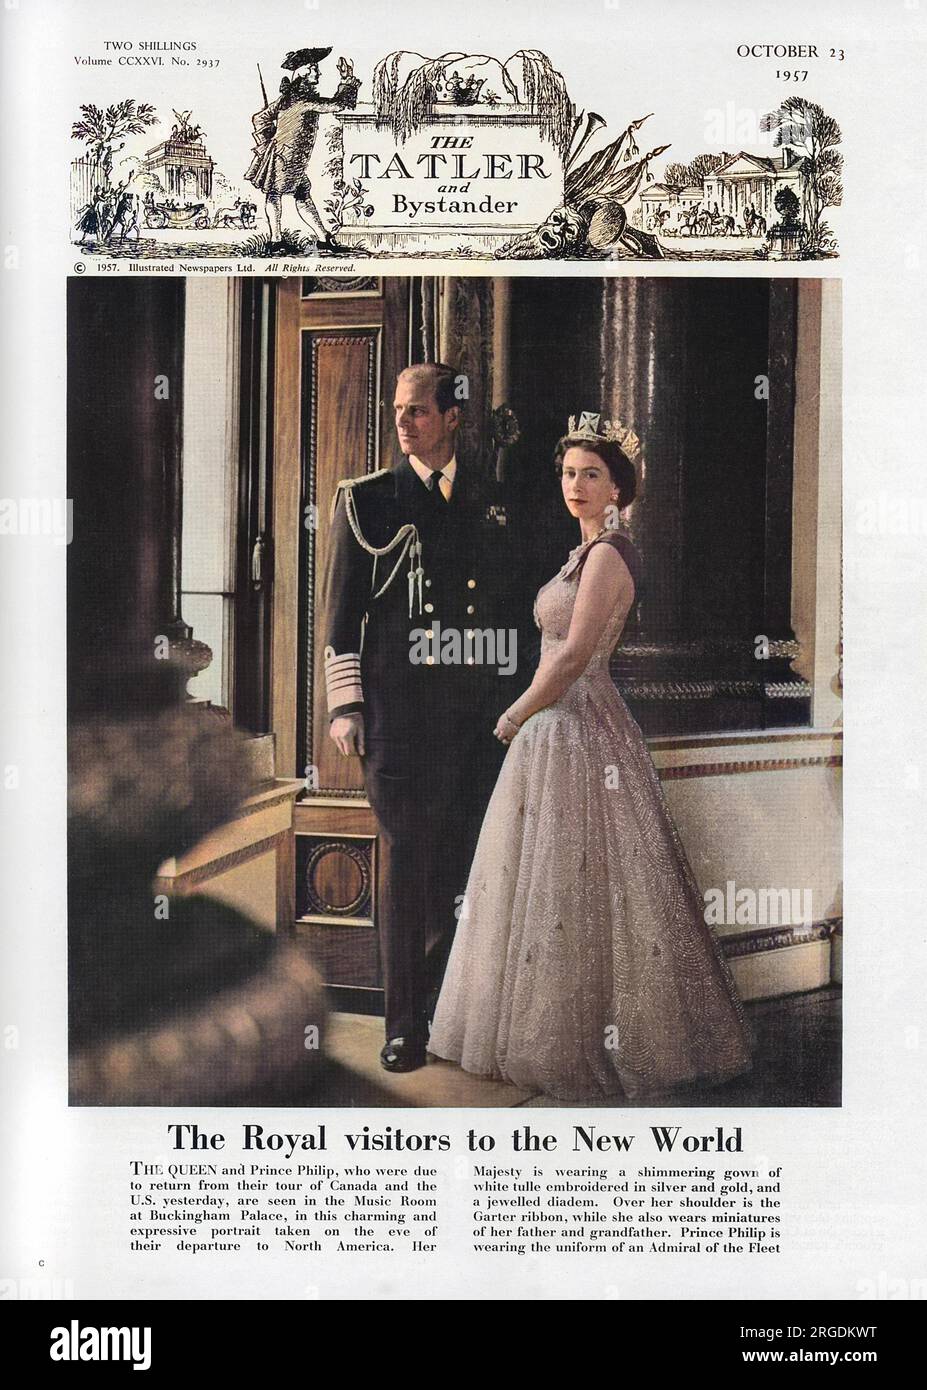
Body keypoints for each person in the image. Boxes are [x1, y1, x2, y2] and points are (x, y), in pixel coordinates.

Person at [428, 415, 753, 1101]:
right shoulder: (579, 555)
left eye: (590, 475)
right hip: (556, 728)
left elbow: (575, 654)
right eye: (569, 473)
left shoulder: (608, 555)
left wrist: (516, 712)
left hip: (577, 725)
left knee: (584, 879)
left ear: (617, 489)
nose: (575, 485)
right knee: (544, 876)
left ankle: (592, 1040)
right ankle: (537, 1029)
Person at [323, 363, 520, 1072]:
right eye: (399, 410)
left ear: (453, 417)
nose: (403, 422)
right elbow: (341, 618)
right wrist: (345, 706)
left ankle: (448, 1008)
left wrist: (519, 705)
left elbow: (514, 617)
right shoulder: (369, 501)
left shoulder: (494, 500)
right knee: (407, 866)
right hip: (400, 722)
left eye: (419, 411)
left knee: (467, 866)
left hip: (477, 723)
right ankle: (403, 1023)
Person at [245, 47, 361, 250]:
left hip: (287, 157)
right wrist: (347, 80)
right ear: (304, 72)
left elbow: (259, 118)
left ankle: (321, 237)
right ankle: (277, 241)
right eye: (314, 68)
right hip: (286, 159)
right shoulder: (304, 100)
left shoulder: (289, 99)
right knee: (277, 193)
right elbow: (337, 105)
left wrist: (269, 138)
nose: (319, 72)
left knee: (297, 193)